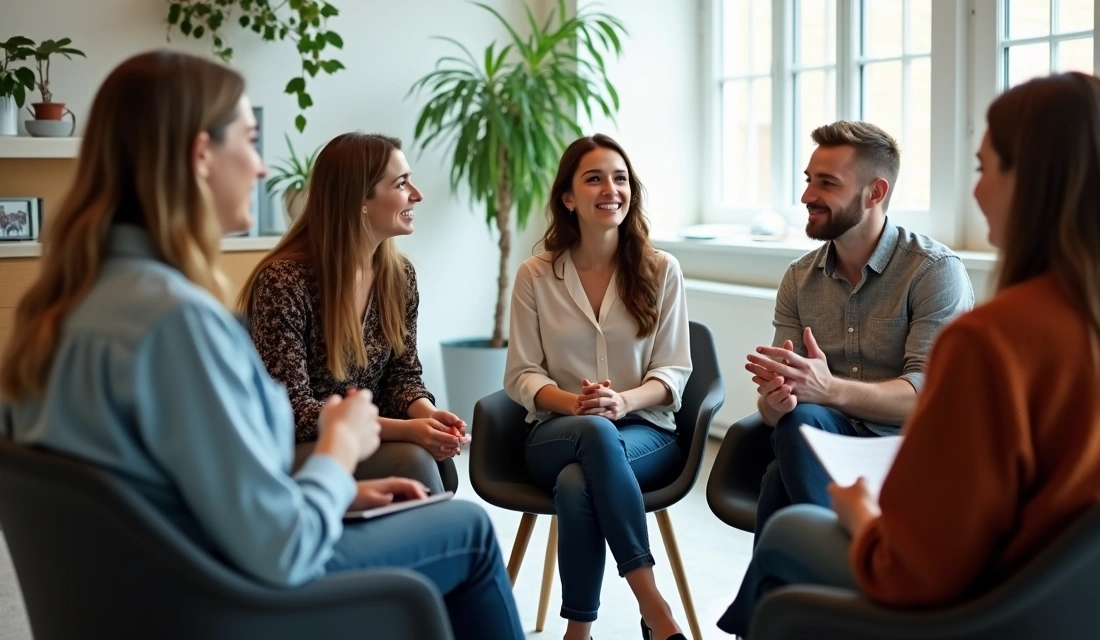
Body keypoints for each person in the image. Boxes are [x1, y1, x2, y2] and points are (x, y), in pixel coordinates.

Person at [0, 50, 523, 640]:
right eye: (249, 141)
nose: (261, 167)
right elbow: (281, 545)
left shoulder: (60, 308)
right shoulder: (180, 325)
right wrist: (339, 447)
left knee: (423, 502)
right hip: (223, 603)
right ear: (201, 155)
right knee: (469, 531)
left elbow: (181, 490)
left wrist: (340, 493)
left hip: (148, 596)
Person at [718, 72, 1100, 637]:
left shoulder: (991, 341)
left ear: (1034, 181)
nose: (975, 193)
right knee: (785, 475)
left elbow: (918, 568)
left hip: (1018, 610)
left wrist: (861, 517)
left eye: (984, 169)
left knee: (790, 528)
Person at [744, 120, 973, 539]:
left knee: (781, 477)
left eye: (827, 183)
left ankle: (786, 597)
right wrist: (776, 399)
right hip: (821, 445)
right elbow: (773, 413)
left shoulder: (934, 272)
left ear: (876, 192)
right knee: (799, 419)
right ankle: (855, 571)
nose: (807, 196)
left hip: (910, 452)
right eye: (809, 180)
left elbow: (928, 398)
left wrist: (829, 390)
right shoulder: (799, 278)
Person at [504, 134, 691, 640]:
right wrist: (578, 404)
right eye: (594, 178)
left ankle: (577, 633)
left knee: (576, 483)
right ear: (568, 198)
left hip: (646, 434)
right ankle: (653, 606)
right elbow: (522, 374)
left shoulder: (661, 270)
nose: (611, 189)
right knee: (592, 434)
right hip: (558, 431)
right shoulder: (535, 276)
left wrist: (622, 401)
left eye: (621, 177)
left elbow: (674, 371)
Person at [238, 132, 467, 495]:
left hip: (365, 435)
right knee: (416, 461)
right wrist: (406, 430)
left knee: (442, 465)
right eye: (402, 183)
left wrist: (426, 414)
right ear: (360, 199)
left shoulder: (399, 276)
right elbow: (293, 412)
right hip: (299, 452)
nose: (417, 195)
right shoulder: (284, 282)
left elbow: (402, 377)